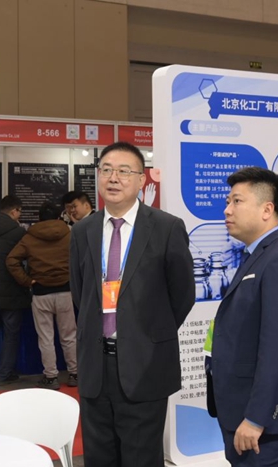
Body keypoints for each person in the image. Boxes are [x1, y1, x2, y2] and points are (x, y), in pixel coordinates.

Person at [69, 141, 195, 466]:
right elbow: (81, 294)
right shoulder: (83, 230)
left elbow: (183, 295)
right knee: (98, 457)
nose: (114, 178)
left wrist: (148, 334)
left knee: (141, 458)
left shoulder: (166, 227)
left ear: (141, 180)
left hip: (145, 364)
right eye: (107, 170)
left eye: (124, 171)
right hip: (96, 366)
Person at [206, 167, 278, 467]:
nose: (227, 210)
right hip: (239, 407)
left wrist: (256, 418)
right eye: (228, 201)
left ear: (267, 210)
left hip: (259, 420)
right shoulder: (256, 255)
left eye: (237, 201)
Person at [6, 202, 77, 390]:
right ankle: (75, 373)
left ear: (39, 218)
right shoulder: (70, 234)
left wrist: (27, 280)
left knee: (46, 338)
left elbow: (11, 260)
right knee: (69, 336)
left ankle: (51, 377)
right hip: (65, 291)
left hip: (41, 293)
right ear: (59, 217)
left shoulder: (29, 237)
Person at [0, 195, 32, 384]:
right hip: (13, 291)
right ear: (15, 210)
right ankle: (3, 373)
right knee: (11, 335)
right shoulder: (19, 233)